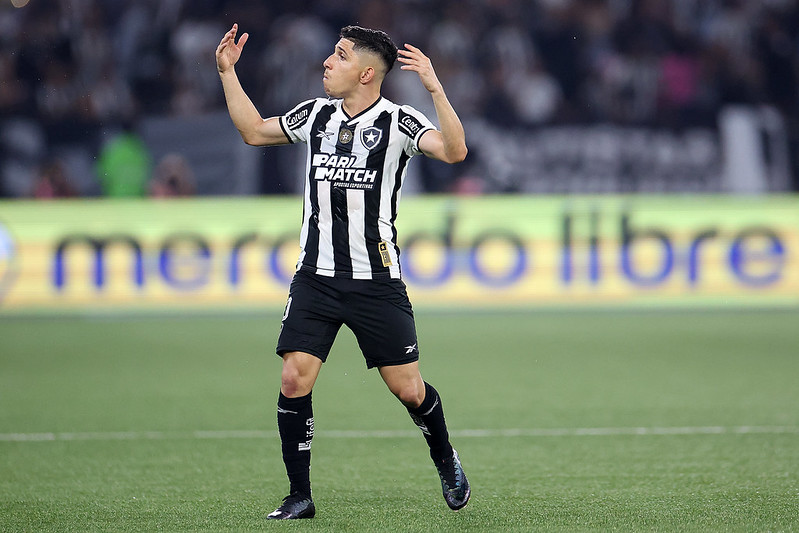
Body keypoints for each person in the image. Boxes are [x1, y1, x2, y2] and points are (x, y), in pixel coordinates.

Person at [216, 23, 470, 520]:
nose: (328, 62)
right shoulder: (314, 115)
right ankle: (299, 496)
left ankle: (445, 458)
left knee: (409, 390)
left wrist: (435, 87)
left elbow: (455, 151)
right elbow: (253, 131)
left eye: (340, 55)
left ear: (367, 73)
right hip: (316, 277)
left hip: (377, 281)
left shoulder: (398, 123)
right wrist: (228, 73)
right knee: (294, 377)